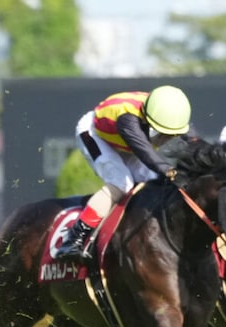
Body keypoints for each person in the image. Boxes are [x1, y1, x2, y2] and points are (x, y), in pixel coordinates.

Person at [56, 85, 192, 260]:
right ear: (149, 119)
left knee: (151, 181)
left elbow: (191, 139)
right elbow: (146, 153)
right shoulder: (128, 120)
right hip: (94, 133)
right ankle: (73, 239)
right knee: (121, 182)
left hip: (122, 141)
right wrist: (171, 171)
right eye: (164, 133)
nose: (167, 139)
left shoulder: (168, 114)